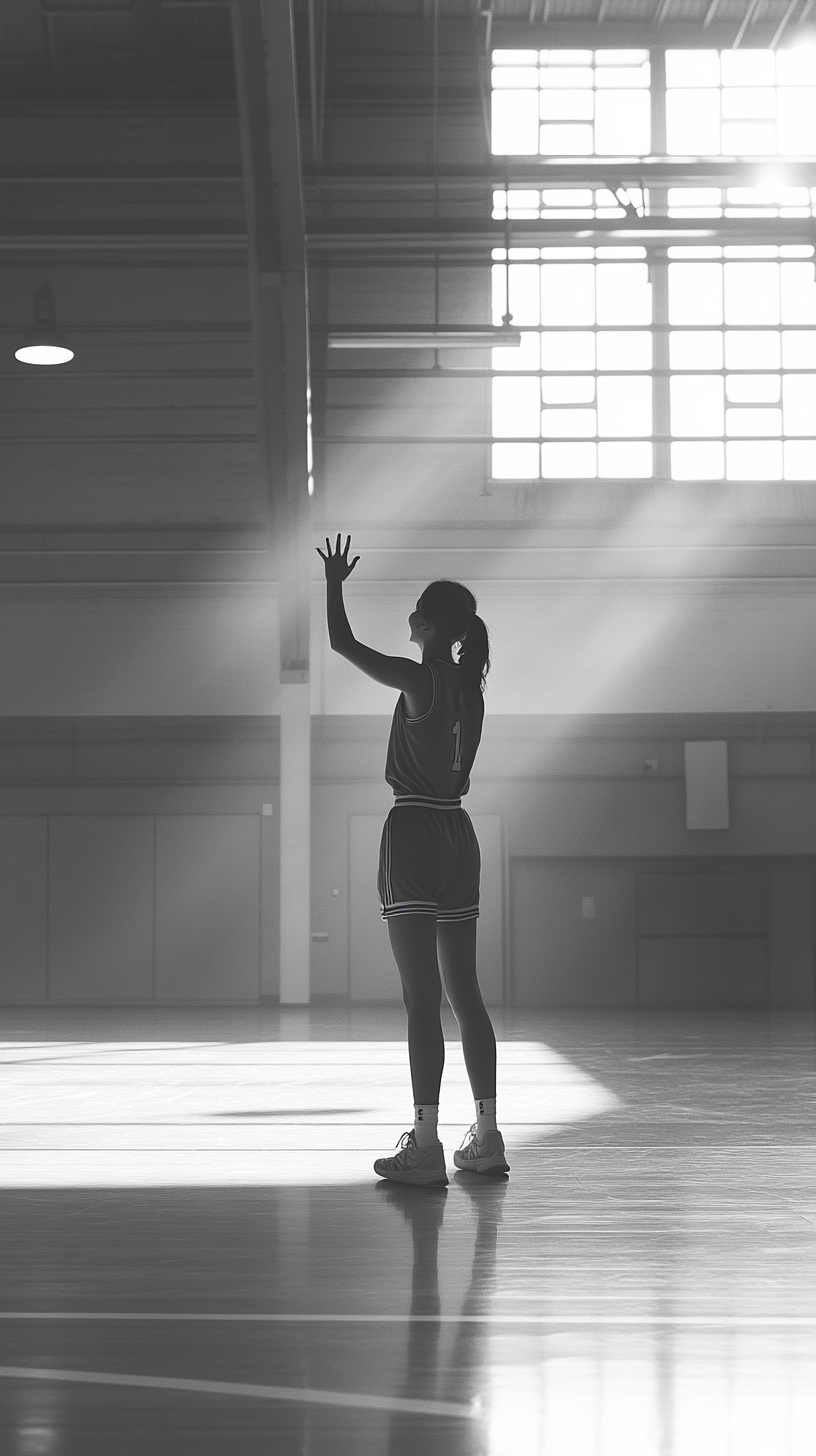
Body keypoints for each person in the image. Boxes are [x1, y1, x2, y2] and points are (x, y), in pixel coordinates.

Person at [316, 533, 509, 1187]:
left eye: (413, 613)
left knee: (420, 998)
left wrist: (334, 583)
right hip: (459, 831)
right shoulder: (472, 691)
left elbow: (342, 646)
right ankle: (486, 1137)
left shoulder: (418, 677)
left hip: (415, 830)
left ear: (425, 623)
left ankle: (424, 1144)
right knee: (466, 996)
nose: (407, 620)